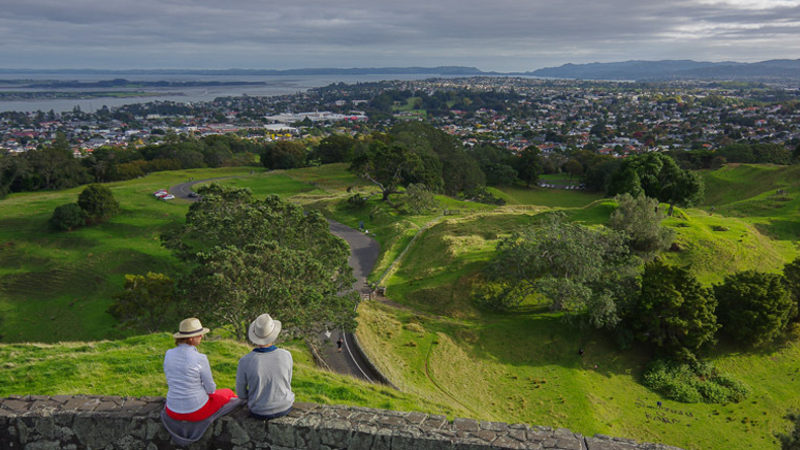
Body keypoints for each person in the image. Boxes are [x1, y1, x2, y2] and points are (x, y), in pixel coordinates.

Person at [161, 317, 240, 446]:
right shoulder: (200, 358)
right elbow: (211, 389)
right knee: (227, 393)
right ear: (191, 338)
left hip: (172, 409)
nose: (202, 336)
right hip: (196, 410)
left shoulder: (168, 354)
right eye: (200, 334)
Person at [236, 313, 295, 420]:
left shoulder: (245, 361)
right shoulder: (286, 355)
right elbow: (287, 382)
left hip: (258, 411)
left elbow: (241, 394)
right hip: (284, 407)